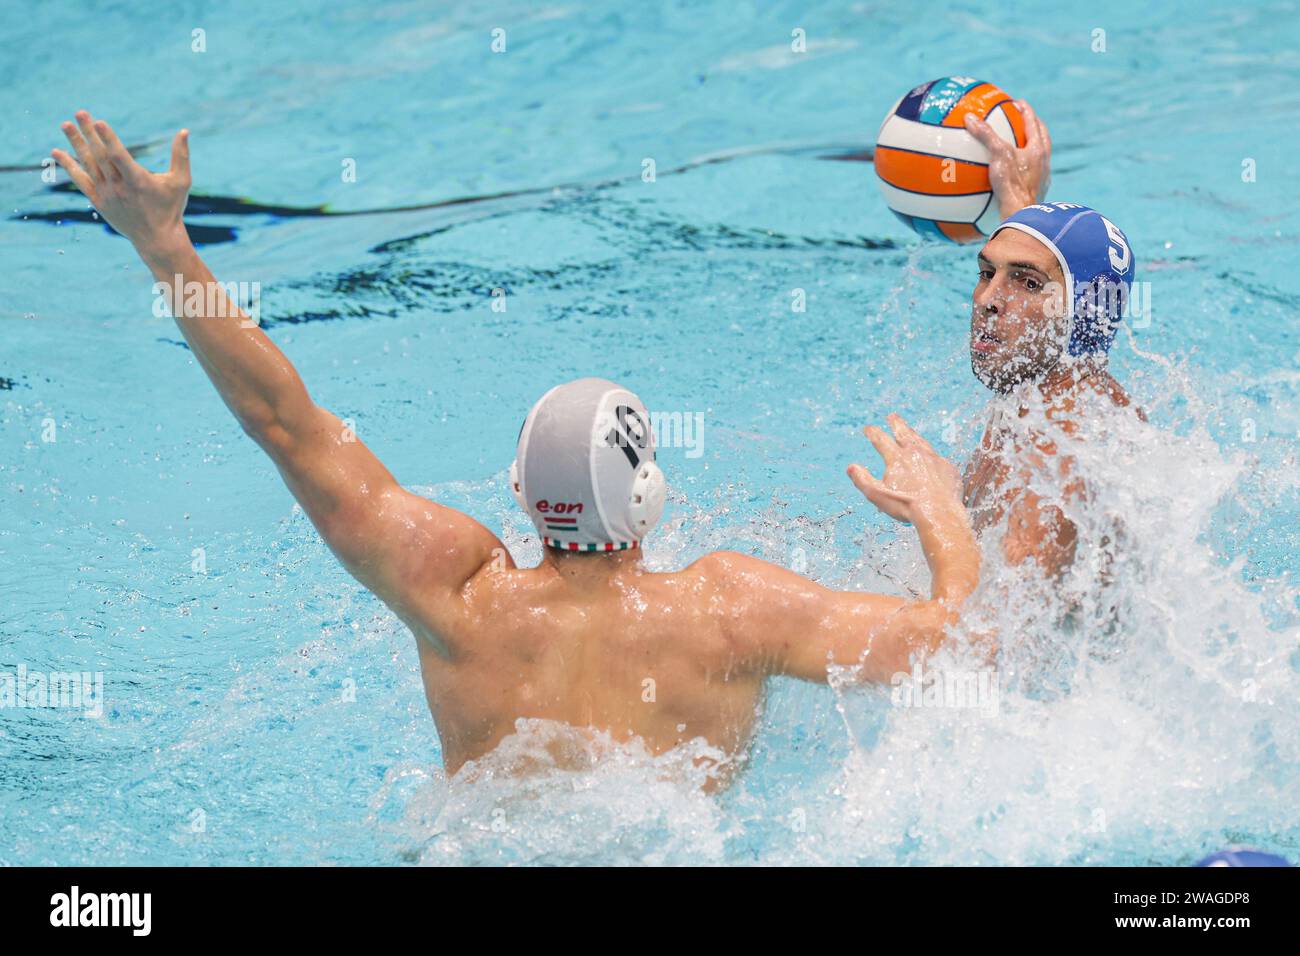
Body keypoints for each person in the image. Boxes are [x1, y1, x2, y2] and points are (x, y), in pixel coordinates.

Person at [51, 111, 980, 782]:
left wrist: (166, 245)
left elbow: (281, 423)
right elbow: (948, 644)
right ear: (648, 494)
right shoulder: (731, 609)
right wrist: (944, 520)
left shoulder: (455, 597)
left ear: (524, 496)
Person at [963, 109, 1141, 577]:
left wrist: (930, 507)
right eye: (986, 273)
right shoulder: (1061, 386)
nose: (989, 300)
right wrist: (1021, 202)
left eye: (1025, 283)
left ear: (1081, 309)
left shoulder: (1058, 460)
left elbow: (990, 640)